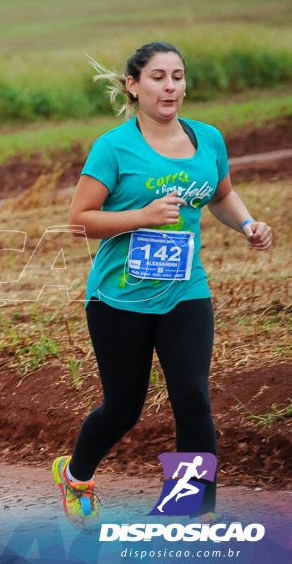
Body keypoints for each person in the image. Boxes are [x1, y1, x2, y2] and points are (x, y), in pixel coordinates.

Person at [52, 42, 273, 530]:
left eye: (177, 76)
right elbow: (79, 220)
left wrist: (248, 224)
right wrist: (143, 216)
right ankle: (76, 475)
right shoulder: (114, 147)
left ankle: (192, 508)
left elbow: (221, 194)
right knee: (123, 408)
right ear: (133, 86)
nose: (170, 86)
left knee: (192, 396)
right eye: (157, 76)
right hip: (119, 297)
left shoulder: (208, 139)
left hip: (186, 291)